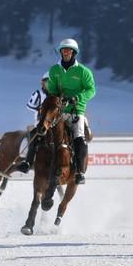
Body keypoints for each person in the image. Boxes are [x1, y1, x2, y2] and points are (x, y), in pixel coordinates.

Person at [17, 38, 96, 184]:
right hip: (58, 111)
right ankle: (28, 163)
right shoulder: (54, 70)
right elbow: (52, 90)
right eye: (63, 50)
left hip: (76, 111)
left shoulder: (84, 72)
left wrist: (77, 97)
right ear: (61, 52)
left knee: (79, 139)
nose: (66, 53)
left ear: (74, 53)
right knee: (38, 132)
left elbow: (92, 90)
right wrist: (55, 101)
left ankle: (80, 172)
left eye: (68, 50)